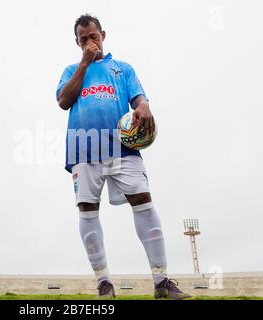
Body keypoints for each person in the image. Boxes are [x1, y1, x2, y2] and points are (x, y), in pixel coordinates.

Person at [56, 14, 191, 300]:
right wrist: (84, 62)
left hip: (123, 147)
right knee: (87, 209)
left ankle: (162, 281)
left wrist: (144, 106)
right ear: (77, 43)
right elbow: (63, 100)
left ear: (103, 34)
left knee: (143, 200)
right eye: (83, 40)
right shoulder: (71, 69)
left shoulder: (122, 68)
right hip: (83, 148)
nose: (90, 42)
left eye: (93, 36)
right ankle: (104, 283)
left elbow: (139, 98)